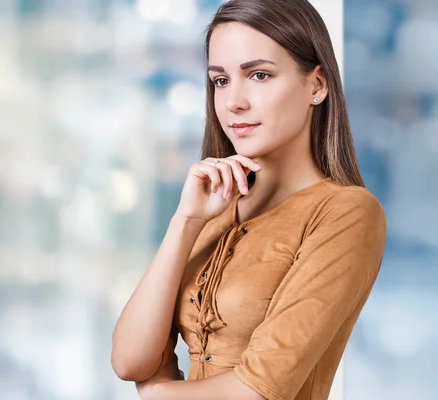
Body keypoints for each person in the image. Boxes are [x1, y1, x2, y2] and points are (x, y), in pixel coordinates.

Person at [111, 0, 387, 399]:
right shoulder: (211, 206)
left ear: (317, 84)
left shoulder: (347, 213)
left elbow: (257, 391)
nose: (233, 101)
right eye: (220, 80)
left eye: (259, 75)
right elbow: (128, 361)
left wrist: (156, 392)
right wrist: (185, 221)